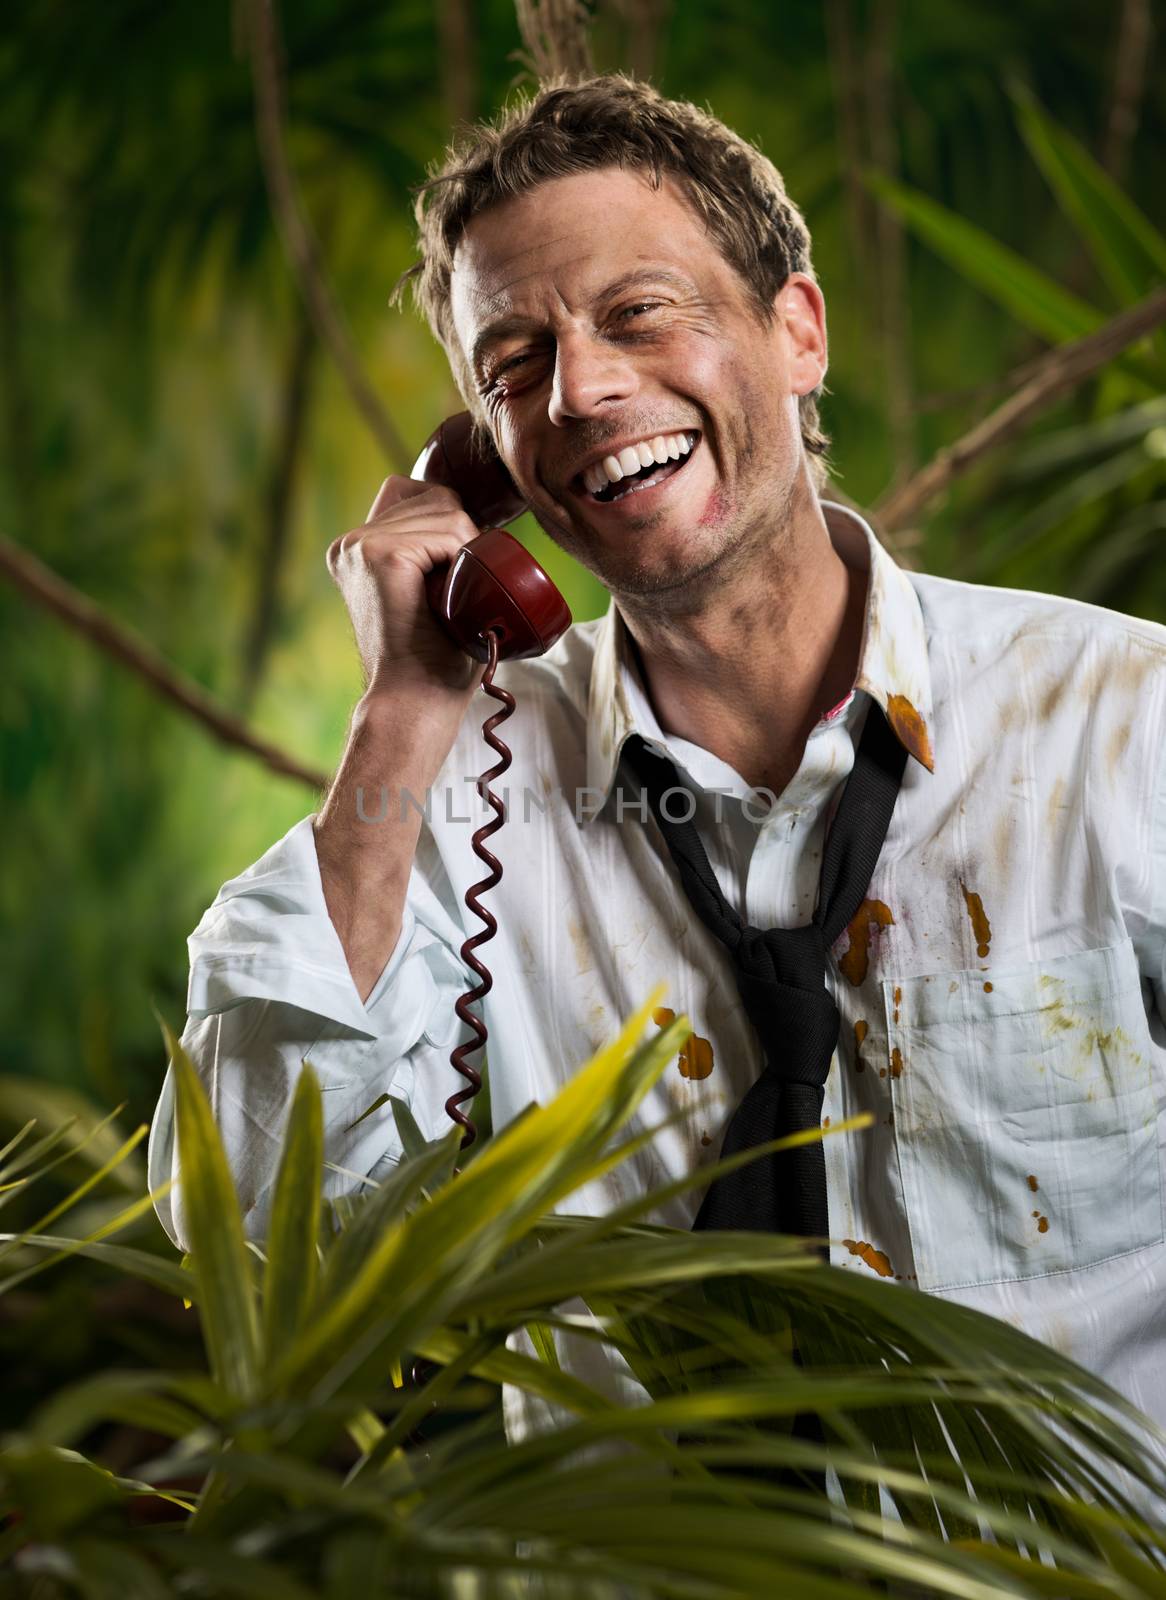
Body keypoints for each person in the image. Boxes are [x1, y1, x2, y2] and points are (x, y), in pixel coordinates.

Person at [148, 75, 1166, 1449]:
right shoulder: (442, 805)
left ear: (795, 331)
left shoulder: (1121, 718)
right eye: (510, 367)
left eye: (636, 314)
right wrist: (398, 710)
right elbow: (262, 1225)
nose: (577, 389)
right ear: (482, 460)